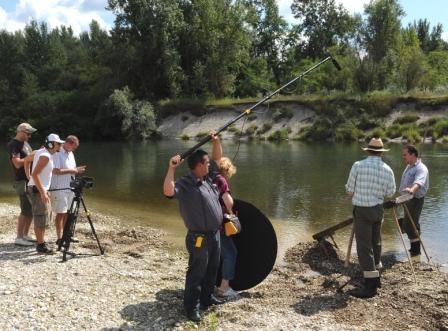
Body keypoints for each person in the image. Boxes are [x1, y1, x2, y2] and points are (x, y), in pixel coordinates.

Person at [163, 133, 223, 322]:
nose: (209, 165)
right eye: (206, 162)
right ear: (198, 165)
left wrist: (216, 142)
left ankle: (207, 298)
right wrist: (171, 169)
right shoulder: (186, 183)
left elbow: (218, 158)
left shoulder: (208, 177)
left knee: (212, 269)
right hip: (198, 237)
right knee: (197, 273)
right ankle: (192, 307)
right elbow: (168, 192)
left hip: (215, 235)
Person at [345, 137, 396, 298]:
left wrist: (357, 193)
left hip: (362, 210)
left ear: (368, 151)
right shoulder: (387, 169)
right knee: (376, 242)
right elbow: (390, 193)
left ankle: (370, 287)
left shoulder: (358, 166)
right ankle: (376, 276)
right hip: (378, 209)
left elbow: (349, 190)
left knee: (364, 247)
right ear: (381, 152)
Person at [26, 133, 65, 254]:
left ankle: (41, 242)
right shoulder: (45, 156)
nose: (60, 146)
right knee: (40, 217)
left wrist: (30, 178)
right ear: (51, 144)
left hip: (38, 189)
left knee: (43, 217)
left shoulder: (42, 152)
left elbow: (27, 161)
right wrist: (43, 192)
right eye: (58, 144)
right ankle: (41, 245)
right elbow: (36, 174)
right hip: (38, 191)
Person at [50, 135, 86, 247]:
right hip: (59, 187)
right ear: (68, 143)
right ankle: (59, 237)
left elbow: (71, 170)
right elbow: (55, 170)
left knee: (69, 212)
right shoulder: (57, 152)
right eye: (74, 147)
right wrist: (74, 170)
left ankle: (67, 235)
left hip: (70, 187)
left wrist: (76, 171)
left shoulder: (71, 153)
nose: (74, 149)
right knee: (61, 213)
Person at [7, 123, 37, 246]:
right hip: (21, 181)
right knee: (25, 210)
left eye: (30, 134)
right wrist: (31, 157)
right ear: (20, 131)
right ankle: (19, 237)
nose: (29, 136)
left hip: (30, 180)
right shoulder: (14, 144)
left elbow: (29, 159)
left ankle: (25, 234)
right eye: (28, 133)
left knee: (30, 209)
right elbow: (17, 164)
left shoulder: (25, 143)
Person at [213, 157, 239, 299]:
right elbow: (228, 203)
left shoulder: (206, 179)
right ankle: (224, 288)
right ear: (227, 170)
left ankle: (209, 285)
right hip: (218, 225)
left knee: (212, 255)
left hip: (204, 224)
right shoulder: (221, 180)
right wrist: (230, 212)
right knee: (230, 254)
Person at [399, 145, 429, 259]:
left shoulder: (421, 168)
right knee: (411, 223)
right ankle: (415, 250)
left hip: (415, 199)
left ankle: (416, 252)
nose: (403, 157)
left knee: (409, 225)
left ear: (413, 155)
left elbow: (419, 183)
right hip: (407, 198)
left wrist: (411, 190)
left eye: (405, 154)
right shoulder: (410, 165)